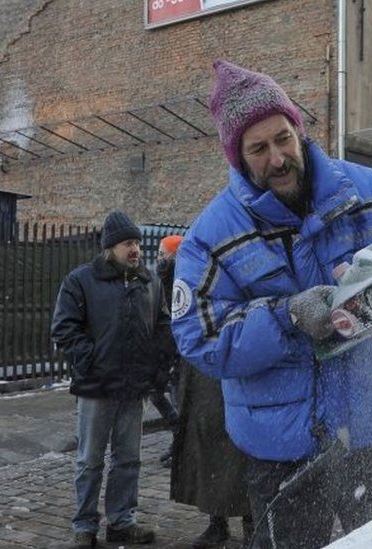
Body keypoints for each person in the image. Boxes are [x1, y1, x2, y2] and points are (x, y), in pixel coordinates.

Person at [170, 61, 372, 549]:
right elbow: (199, 338)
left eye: (283, 138)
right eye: (258, 148)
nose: (278, 158)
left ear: (298, 130)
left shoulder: (371, 192)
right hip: (284, 454)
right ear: (237, 157)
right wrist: (287, 317)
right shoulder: (210, 238)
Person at [52, 211, 171, 548]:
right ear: (109, 247)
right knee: (90, 460)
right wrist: (90, 360)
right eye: (126, 244)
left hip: (133, 388)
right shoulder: (81, 280)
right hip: (95, 387)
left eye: (135, 242)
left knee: (128, 459)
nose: (134, 249)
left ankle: (121, 521)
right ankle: (85, 525)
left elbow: (163, 325)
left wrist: (157, 365)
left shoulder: (149, 281)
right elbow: (64, 328)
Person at [160, 235, 255, 548]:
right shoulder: (191, 269)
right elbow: (178, 311)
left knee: (241, 448)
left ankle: (251, 521)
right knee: (205, 446)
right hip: (200, 371)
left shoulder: (239, 269)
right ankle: (217, 522)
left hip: (231, 364)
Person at [150, 236, 183, 468]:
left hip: (177, 350)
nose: (159, 257)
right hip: (162, 347)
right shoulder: (160, 277)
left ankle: (181, 446)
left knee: (176, 398)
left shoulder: (179, 276)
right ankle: (178, 436)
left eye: (163, 254)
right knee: (156, 393)